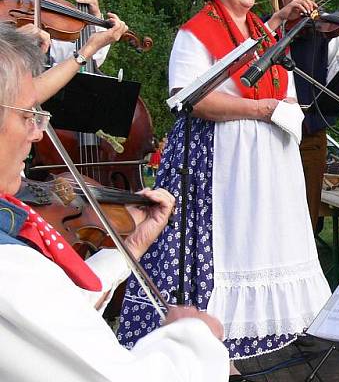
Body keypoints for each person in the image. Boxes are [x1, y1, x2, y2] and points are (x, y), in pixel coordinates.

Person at [117, 0, 331, 365]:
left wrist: (280, 105)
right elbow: (190, 98)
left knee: (260, 243)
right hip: (217, 160)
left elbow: (282, 85)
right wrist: (264, 109)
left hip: (268, 162)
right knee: (216, 248)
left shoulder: (263, 32)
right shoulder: (196, 32)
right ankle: (208, 347)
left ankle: (247, 341)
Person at [0, 23, 229, 382]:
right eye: (28, 114)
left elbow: (57, 310)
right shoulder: (11, 269)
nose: (38, 133)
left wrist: (133, 244)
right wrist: (195, 338)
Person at [265, 0, 339, 231]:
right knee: (271, 211)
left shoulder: (323, 29)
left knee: (306, 213)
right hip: (270, 132)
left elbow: (333, 85)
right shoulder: (264, 29)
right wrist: (280, 20)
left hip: (310, 133)